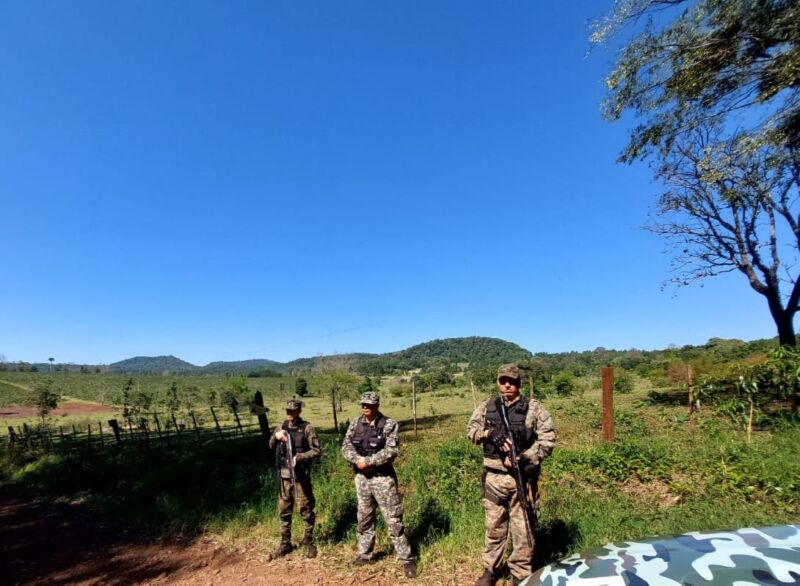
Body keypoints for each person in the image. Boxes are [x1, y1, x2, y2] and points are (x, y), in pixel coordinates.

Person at [467, 364, 556, 586]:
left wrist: (524, 457)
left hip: (522, 479)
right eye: (503, 380)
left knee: (523, 530)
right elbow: (471, 431)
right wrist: (489, 434)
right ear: (498, 382)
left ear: (519, 384)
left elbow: (547, 439)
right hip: (494, 477)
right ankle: (491, 569)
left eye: (513, 381)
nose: (508, 385)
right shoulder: (486, 407)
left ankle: (520, 573)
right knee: (494, 527)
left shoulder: (534, 408)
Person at [341, 391, 417, 578]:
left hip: (383, 479)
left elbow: (391, 451)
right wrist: (357, 459)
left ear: (377, 405)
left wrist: (370, 461)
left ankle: (407, 560)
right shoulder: (355, 424)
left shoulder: (389, 424)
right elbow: (346, 446)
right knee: (364, 518)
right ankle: (365, 554)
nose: (365, 408)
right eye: (363, 404)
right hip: (361, 479)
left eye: (369, 405)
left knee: (393, 520)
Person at [268, 398, 321, 560]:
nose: (289, 414)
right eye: (287, 411)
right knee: (284, 512)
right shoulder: (281, 427)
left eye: (293, 411)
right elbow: (270, 445)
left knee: (305, 510)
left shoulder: (307, 428)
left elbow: (317, 451)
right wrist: (276, 437)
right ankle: (285, 544)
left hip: (300, 478)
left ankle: (309, 541)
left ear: (299, 411)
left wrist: (300, 457)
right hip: (284, 478)